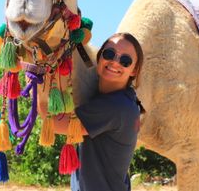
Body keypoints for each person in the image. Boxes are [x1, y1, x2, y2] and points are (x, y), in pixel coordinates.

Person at [45, 32, 144, 191]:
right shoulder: (126, 99)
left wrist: (37, 78)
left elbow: (54, 124)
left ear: (134, 70)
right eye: (109, 54)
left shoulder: (115, 106)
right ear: (100, 57)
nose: (114, 62)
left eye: (125, 61)